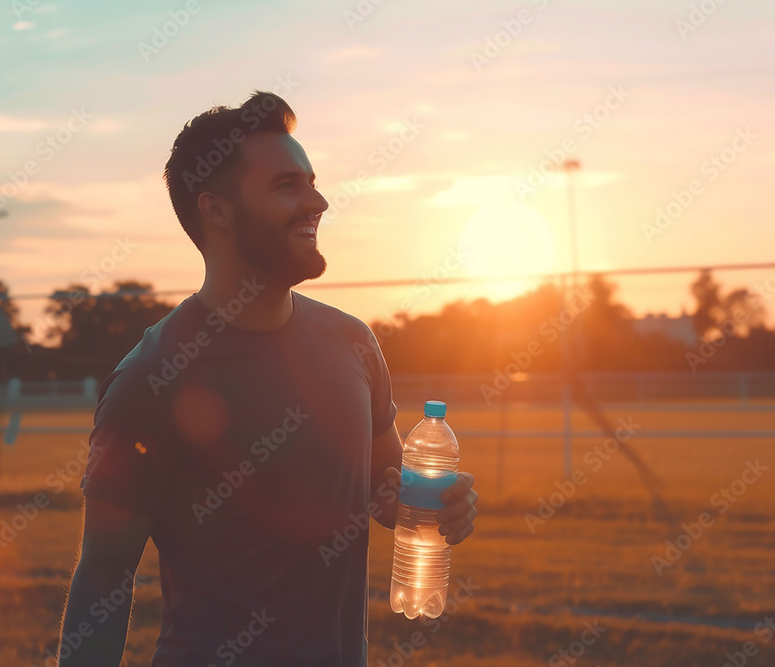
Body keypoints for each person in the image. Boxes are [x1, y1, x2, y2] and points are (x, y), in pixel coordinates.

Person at [57, 91, 478, 666]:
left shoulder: (353, 343)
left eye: (311, 182)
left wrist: (433, 505)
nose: (318, 202)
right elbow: (104, 577)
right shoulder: (150, 379)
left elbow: (385, 488)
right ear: (218, 210)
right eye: (288, 187)